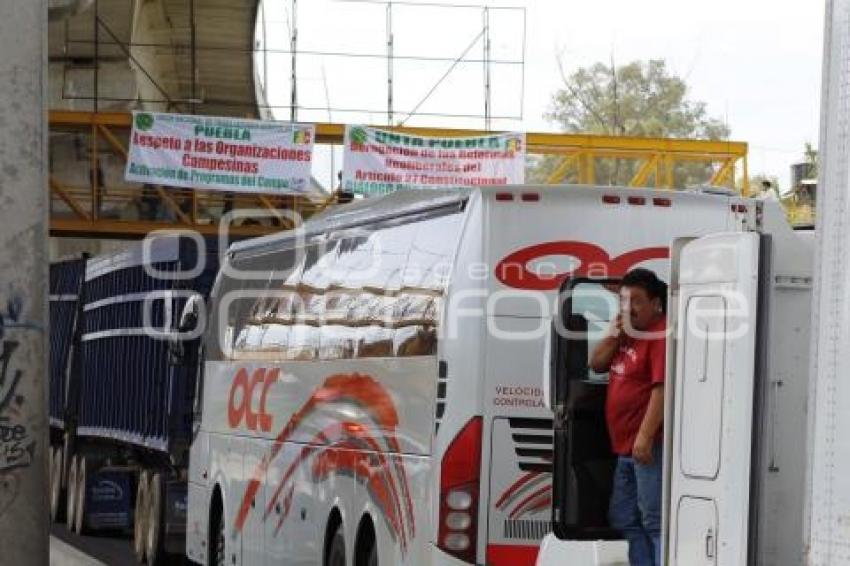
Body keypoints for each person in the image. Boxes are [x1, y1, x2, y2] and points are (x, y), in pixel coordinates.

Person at [590, 268, 667, 566]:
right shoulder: (624, 334)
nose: (627, 308)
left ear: (655, 303)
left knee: (653, 520)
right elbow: (595, 364)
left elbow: (662, 389)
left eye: (635, 300)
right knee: (623, 516)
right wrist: (613, 335)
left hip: (648, 448)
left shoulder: (659, 335)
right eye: (623, 300)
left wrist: (645, 438)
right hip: (625, 448)